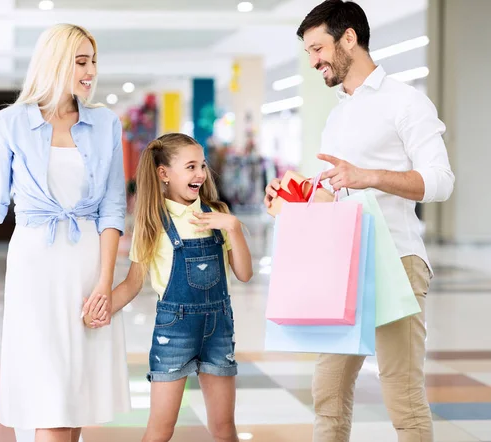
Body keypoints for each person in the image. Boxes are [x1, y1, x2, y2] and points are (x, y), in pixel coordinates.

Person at [264, 1, 454, 441]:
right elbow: (335, 190)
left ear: (349, 37)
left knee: (403, 398)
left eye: (318, 48)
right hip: (343, 265)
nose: (313, 61)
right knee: (327, 394)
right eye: (309, 52)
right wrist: (293, 195)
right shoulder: (339, 112)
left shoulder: (405, 102)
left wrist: (368, 176)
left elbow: (441, 182)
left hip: (398, 263)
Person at [0, 24, 130, 442]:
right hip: (35, 267)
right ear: (55, 62)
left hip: (86, 266)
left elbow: (113, 209)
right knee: (52, 392)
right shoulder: (11, 123)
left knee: (75, 391)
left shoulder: (105, 124)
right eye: (81, 61)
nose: (90, 71)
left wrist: (104, 283)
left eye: (93, 61)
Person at [88, 133, 253, 442]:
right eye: (191, 167)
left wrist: (233, 226)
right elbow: (133, 283)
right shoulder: (152, 223)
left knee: (224, 429)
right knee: (161, 429)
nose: (201, 174)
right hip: (173, 333)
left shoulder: (217, 213)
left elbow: (244, 273)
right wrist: (103, 306)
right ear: (163, 174)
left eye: (202, 166)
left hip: (219, 331)